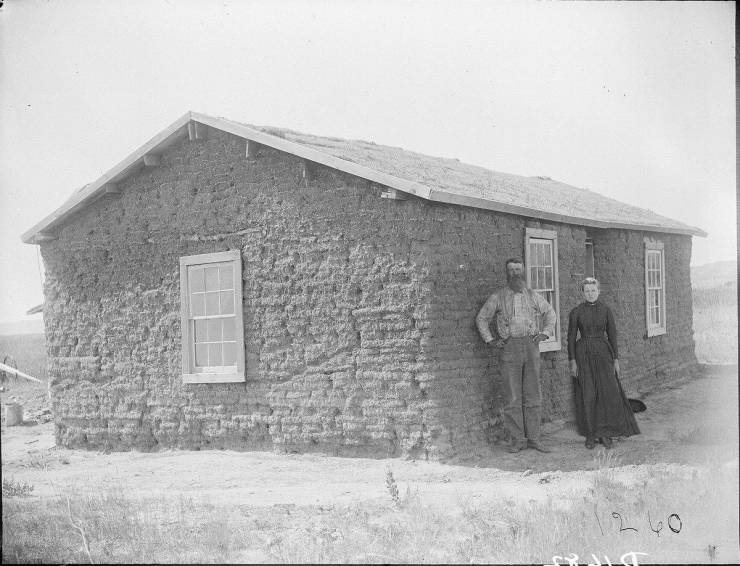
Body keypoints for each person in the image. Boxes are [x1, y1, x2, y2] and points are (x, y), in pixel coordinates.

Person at [476, 258, 557, 453]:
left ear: (523, 271)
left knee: (533, 394)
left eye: (518, 270)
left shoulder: (533, 296)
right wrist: (491, 340)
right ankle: (518, 440)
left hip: (530, 346)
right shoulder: (498, 296)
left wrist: (544, 333)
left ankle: (534, 439)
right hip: (509, 347)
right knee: (512, 396)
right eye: (511, 270)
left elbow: (550, 314)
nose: (515, 273)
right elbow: (482, 318)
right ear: (506, 273)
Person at [567, 277, 640, 449]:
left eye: (593, 290)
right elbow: (570, 338)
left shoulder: (606, 310)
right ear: (582, 293)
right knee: (588, 394)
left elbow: (612, 336)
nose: (590, 294)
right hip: (583, 354)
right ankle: (591, 435)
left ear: (599, 291)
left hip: (603, 353)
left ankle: (605, 434)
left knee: (607, 394)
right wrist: (572, 361)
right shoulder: (576, 312)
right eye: (587, 291)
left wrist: (615, 359)